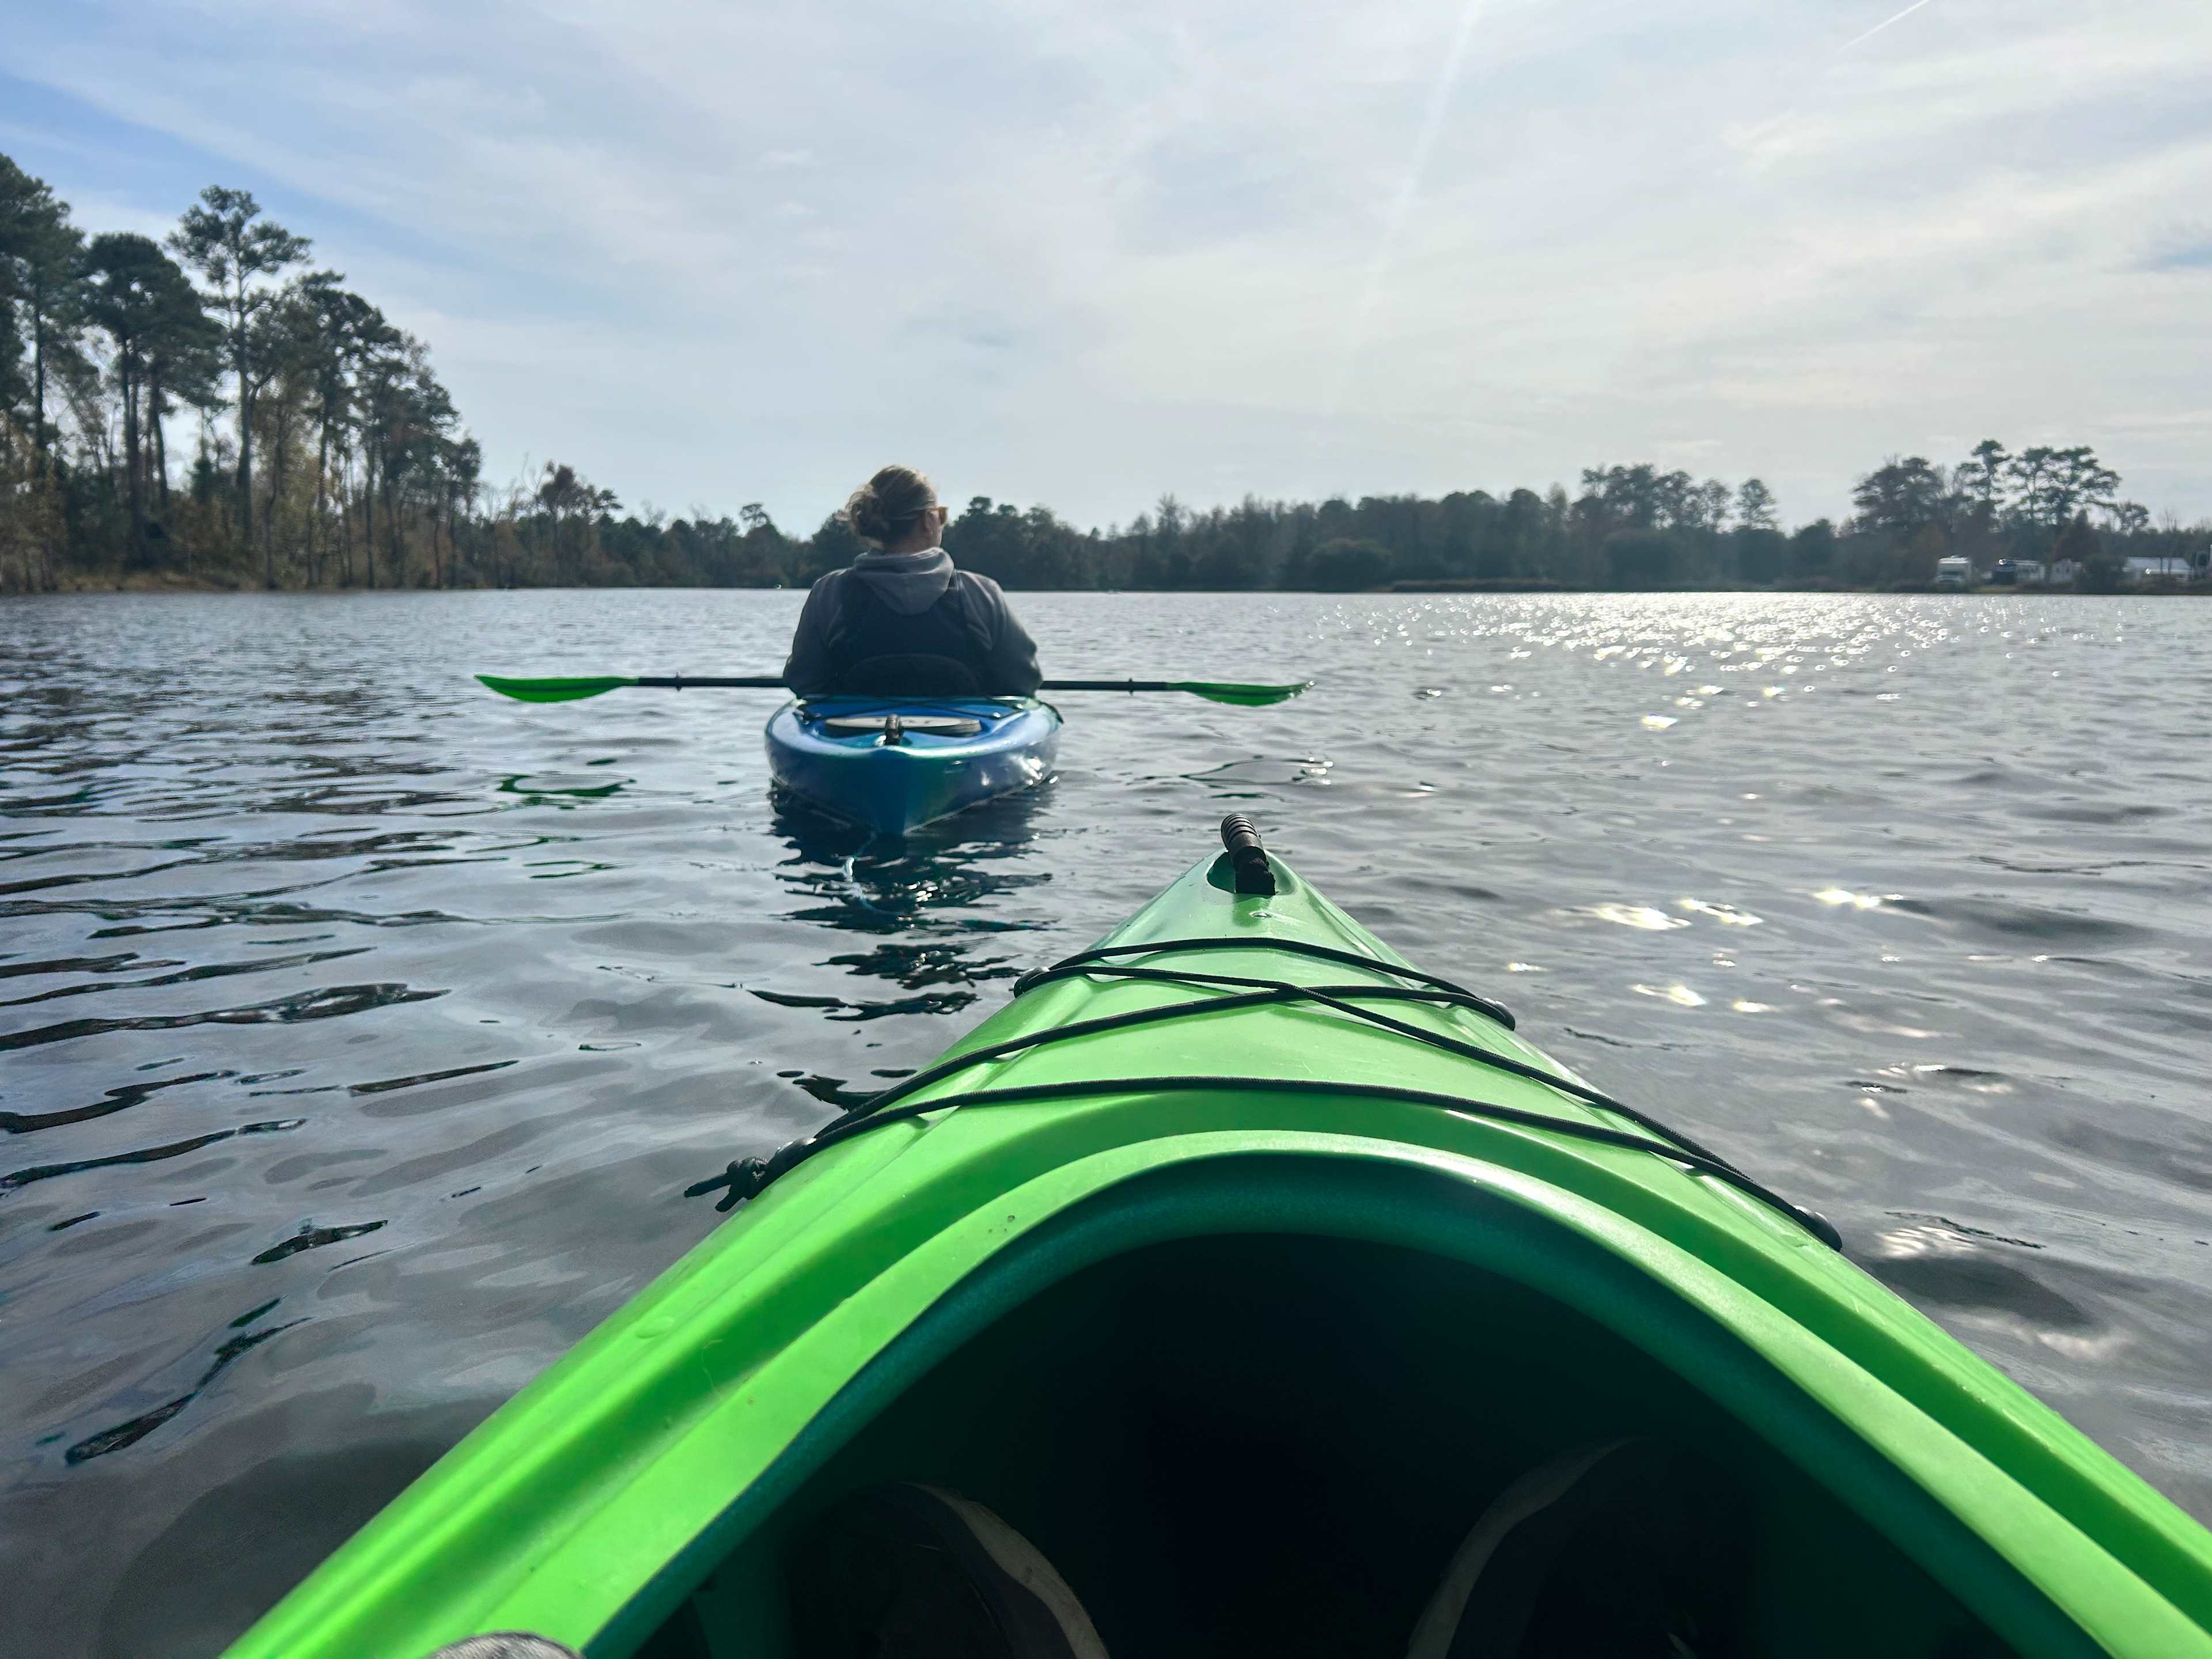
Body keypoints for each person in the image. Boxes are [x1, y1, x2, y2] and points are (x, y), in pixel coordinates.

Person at [783, 465, 1043, 698]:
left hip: (853, 734)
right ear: (928, 520)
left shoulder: (830, 592)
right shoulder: (981, 593)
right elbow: (1023, 682)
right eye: (941, 514)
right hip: (964, 734)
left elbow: (804, 681)